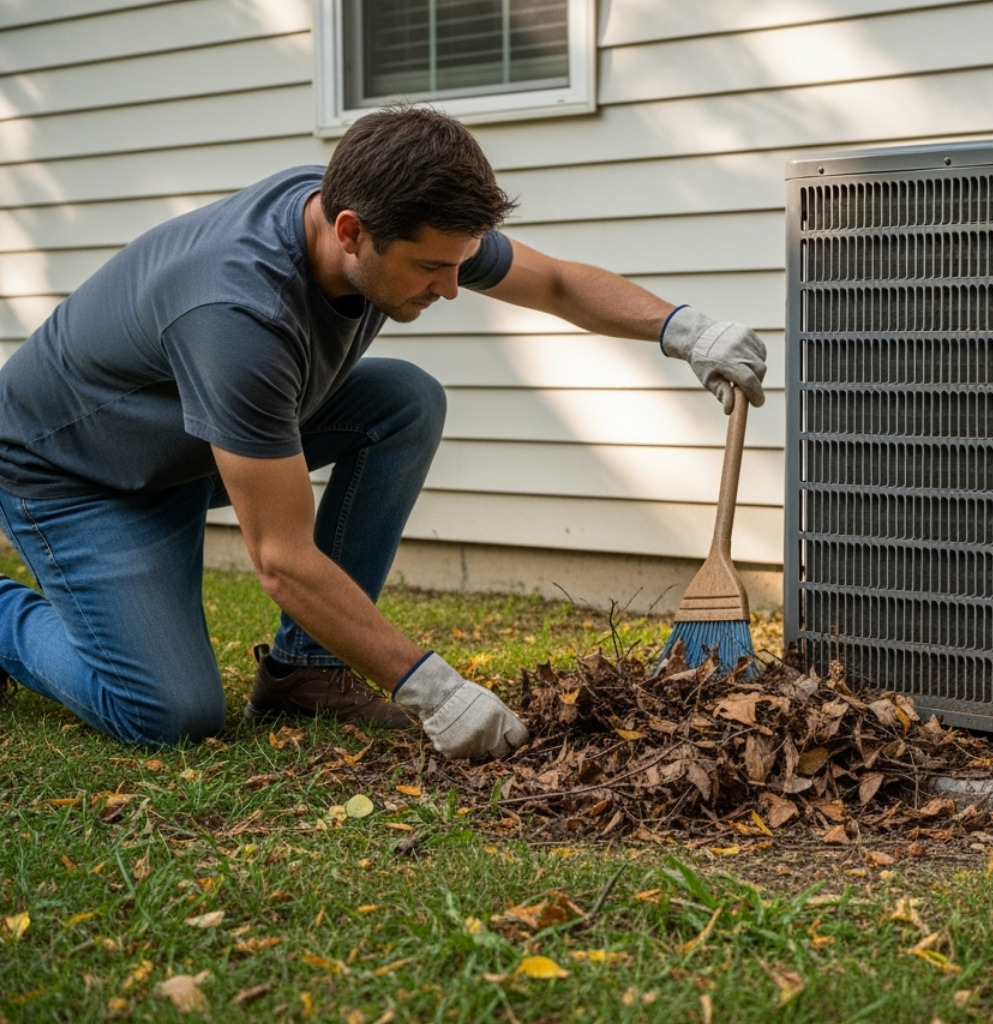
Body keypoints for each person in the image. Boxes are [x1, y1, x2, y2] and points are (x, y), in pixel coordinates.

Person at [0, 106, 767, 759]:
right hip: (78, 476)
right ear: (350, 231)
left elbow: (558, 282)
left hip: (194, 436)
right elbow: (282, 560)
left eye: (459, 264)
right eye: (432, 268)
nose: (450, 287)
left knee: (402, 399)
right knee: (171, 716)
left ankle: (304, 673)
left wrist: (683, 328)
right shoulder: (238, 316)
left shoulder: (393, 210)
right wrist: (434, 690)